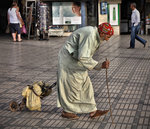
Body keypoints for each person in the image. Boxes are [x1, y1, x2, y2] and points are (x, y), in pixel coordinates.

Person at [57, 23, 114, 119]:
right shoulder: (90, 34)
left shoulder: (95, 35)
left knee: (86, 85)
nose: (107, 40)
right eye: (107, 37)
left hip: (77, 60)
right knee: (72, 87)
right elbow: (83, 57)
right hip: (69, 60)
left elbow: (85, 55)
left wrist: (98, 65)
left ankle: (93, 111)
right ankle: (67, 111)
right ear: (102, 33)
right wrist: (99, 65)